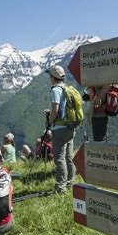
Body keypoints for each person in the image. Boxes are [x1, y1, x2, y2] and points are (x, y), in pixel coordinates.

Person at [42, 65, 75, 193]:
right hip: (70, 126)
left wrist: (49, 122)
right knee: (69, 157)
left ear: (53, 77)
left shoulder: (55, 90)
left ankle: (60, 188)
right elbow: (62, 110)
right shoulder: (67, 88)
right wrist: (52, 113)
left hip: (60, 129)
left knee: (59, 158)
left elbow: (56, 112)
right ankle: (70, 184)